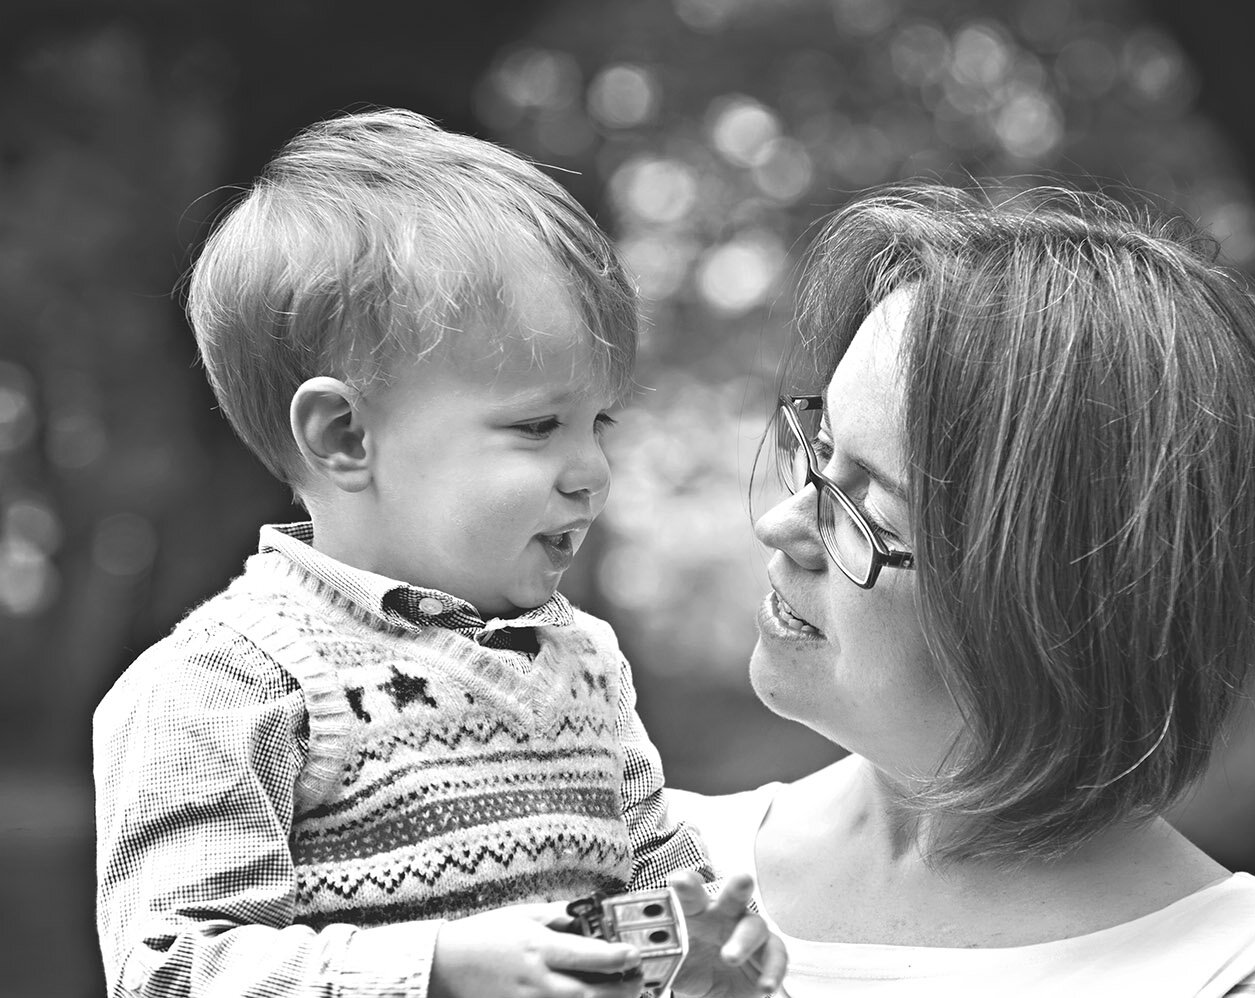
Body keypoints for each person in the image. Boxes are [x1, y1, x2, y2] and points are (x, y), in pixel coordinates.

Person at [93, 108, 784, 998]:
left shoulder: (582, 663)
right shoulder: (225, 685)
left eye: (599, 423)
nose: (593, 474)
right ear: (344, 435)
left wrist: (705, 954)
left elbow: (659, 891)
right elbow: (172, 970)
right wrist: (435, 970)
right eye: (538, 426)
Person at [672, 183, 1255, 996]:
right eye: (819, 449)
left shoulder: (1249, 971)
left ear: (1054, 599)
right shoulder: (649, 862)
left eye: (869, 506)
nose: (781, 525)